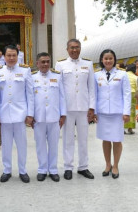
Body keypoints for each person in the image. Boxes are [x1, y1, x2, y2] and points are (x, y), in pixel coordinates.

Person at [55, 38, 96, 180]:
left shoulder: (88, 64)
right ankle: (68, 167)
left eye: (77, 47)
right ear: (67, 49)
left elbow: (92, 87)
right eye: (72, 47)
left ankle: (83, 167)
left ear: (80, 48)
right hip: (67, 108)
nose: (74, 50)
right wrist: (60, 110)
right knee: (68, 138)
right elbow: (59, 89)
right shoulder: (60, 64)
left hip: (84, 107)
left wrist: (92, 107)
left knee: (83, 138)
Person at [0, 45, 34, 183]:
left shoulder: (25, 71)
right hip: (4, 114)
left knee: (21, 144)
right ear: (4, 57)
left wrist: (30, 114)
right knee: (6, 144)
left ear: (18, 56)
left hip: (20, 114)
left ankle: (23, 170)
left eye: (14, 55)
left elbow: (30, 94)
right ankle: (7, 170)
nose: (11, 58)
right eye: (9, 55)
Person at [94, 49, 131, 179]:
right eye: (106, 58)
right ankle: (108, 164)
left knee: (117, 139)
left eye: (110, 58)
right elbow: (94, 94)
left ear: (114, 60)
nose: (108, 61)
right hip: (102, 112)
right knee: (105, 139)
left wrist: (126, 112)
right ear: (102, 60)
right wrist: (94, 111)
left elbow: (127, 94)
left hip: (117, 113)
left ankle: (116, 165)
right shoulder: (96, 75)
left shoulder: (122, 75)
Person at [32, 52, 66, 182]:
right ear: (37, 64)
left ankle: (53, 169)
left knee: (53, 144)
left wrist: (63, 115)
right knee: (40, 144)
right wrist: (30, 115)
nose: (45, 64)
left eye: (47, 61)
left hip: (54, 116)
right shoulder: (32, 77)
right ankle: (42, 169)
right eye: (43, 62)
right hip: (38, 117)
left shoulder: (57, 77)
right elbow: (30, 98)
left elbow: (62, 96)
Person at [124, 64, 137, 134]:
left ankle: (122, 128)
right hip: (132, 94)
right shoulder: (135, 77)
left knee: (124, 111)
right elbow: (137, 87)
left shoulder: (124, 75)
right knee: (132, 112)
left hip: (124, 94)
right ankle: (130, 129)